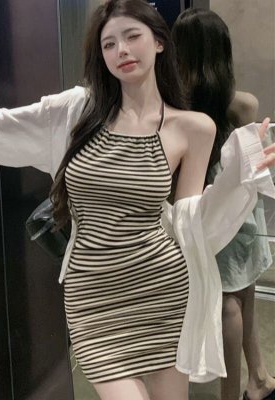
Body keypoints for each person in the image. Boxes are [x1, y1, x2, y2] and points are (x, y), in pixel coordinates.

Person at [0, 1, 273, 399]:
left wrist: (240, 174)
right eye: (109, 43)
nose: (121, 50)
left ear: (159, 42)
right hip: (92, 297)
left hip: (161, 292)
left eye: (132, 36)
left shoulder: (194, 128)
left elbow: (191, 222)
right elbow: (1, 126)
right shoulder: (78, 112)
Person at [172, 8, 275, 400]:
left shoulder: (175, 106)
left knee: (229, 300)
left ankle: (251, 383)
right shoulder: (241, 105)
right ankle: (250, 384)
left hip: (206, 213)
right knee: (239, 297)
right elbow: (254, 157)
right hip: (242, 214)